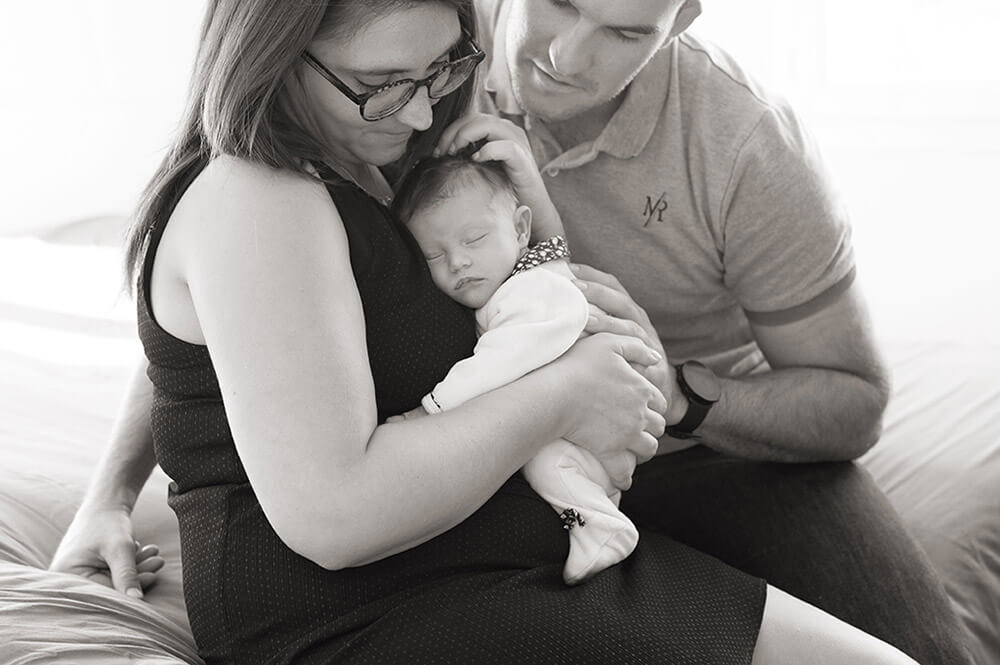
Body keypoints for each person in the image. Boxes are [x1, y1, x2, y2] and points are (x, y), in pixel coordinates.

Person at [48, 0, 924, 663]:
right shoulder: (316, 145)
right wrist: (111, 492)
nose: (424, 117)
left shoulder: (733, 140)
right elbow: (255, 364)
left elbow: (269, 341)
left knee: (915, 641)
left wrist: (666, 389)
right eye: (389, 87)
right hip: (437, 566)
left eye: (623, 29)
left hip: (669, 459)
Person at [439, 0, 972, 663]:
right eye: (561, 3)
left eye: (626, 31)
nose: (566, 57)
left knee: (923, 654)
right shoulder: (423, 59)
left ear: (683, 19)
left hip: (703, 456)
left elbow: (854, 401)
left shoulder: (745, 139)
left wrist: (682, 396)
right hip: (479, 456)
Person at [390, 149, 639, 584]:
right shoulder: (510, 287)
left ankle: (602, 527)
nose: (458, 262)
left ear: (521, 228)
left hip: (590, 436)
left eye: (474, 239)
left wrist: (432, 409)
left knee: (543, 461)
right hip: (580, 424)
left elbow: (503, 362)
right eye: (433, 255)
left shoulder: (535, 287)